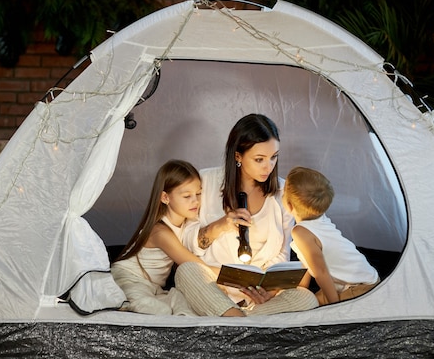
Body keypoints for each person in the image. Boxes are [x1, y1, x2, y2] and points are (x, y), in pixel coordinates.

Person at [175, 114, 319, 316]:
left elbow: (282, 254)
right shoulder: (205, 181)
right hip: (215, 286)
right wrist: (221, 225)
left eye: (274, 157)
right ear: (238, 156)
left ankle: (235, 320)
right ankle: (242, 320)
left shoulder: (283, 192)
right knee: (186, 272)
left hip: (260, 298)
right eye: (259, 159)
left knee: (307, 297)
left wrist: (270, 290)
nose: (268, 167)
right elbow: (187, 244)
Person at [111, 159, 243, 316]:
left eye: (199, 194)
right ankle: (117, 302)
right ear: (165, 198)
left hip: (154, 287)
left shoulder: (187, 224)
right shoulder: (160, 232)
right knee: (159, 310)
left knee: (183, 307)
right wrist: (241, 277)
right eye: (187, 196)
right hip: (129, 280)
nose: (196, 201)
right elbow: (197, 266)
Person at [283, 166, 380, 305]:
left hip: (360, 288)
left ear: (289, 205)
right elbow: (307, 262)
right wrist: (301, 289)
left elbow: (320, 272)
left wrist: (334, 307)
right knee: (304, 302)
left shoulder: (300, 232)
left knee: (310, 308)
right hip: (363, 279)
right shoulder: (318, 217)